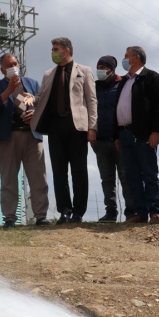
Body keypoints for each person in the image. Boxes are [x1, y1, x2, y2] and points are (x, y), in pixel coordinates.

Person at [29, 37, 97, 224]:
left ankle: (78, 212)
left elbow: (92, 100)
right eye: (52, 49)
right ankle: (64, 211)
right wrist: (30, 99)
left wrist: (92, 126)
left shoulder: (84, 71)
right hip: (55, 128)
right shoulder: (48, 74)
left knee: (79, 170)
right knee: (59, 171)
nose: (53, 52)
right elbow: (41, 97)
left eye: (56, 49)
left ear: (67, 50)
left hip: (77, 127)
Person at [0, 53, 50, 230]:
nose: (13, 67)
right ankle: (9, 217)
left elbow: (42, 105)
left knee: (38, 178)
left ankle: (41, 216)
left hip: (32, 136)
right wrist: (8, 91)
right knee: (8, 179)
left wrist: (35, 112)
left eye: (15, 63)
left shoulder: (32, 83)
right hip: (8, 137)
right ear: (2, 69)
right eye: (9, 65)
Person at [112, 47, 159, 224]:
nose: (124, 59)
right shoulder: (123, 81)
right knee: (131, 176)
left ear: (136, 58)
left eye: (126, 56)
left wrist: (156, 131)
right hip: (125, 134)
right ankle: (140, 212)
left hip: (144, 135)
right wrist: (117, 136)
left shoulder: (152, 78)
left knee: (149, 174)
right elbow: (118, 109)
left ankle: (155, 212)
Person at [93, 55, 134, 222]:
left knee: (126, 176)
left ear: (112, 69)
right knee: (107, 178)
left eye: (104, 67)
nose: (100, 71)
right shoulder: (94, 87)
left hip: (120, 139)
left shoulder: (123, 84)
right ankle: (110, 211)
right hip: (100, 140)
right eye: (99, 67)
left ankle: (131, 211)